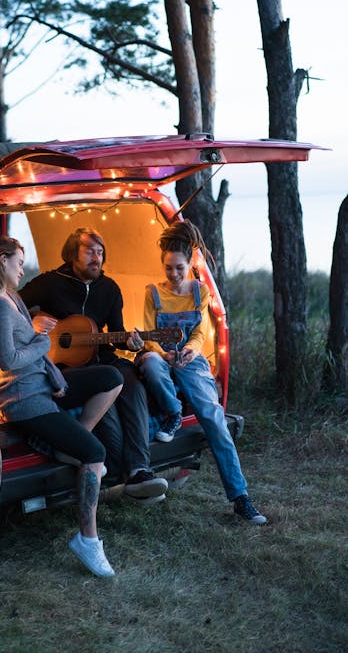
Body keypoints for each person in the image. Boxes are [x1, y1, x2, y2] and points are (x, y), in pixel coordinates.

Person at [0, 235, 124, 577]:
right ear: (2, 262)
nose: (22, 267)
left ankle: (68, 442)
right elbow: (8, 360)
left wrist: (52, 369)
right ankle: (88, 540)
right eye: (18, 261)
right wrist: (43, 345)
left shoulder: (13, 297)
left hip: (42, 384)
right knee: (94, 453)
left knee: (111, 377)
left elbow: (27, 343)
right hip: (22, 398)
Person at [19, 227, 168, 505]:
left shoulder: (109, 288)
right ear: (72, 254)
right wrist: (32, 321)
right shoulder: (51, 282)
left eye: (100, 253)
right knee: (106, 398)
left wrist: (132, 343)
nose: (96, 258)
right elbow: (12, 304)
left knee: (132, 382)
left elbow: (119, 331)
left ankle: (139, 471)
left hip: (104, 357)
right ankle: (109, 465)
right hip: (67, 366)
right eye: (89, 251)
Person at [136, 220, 267, 525]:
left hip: (192, 359)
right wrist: (162, 352)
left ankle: (240, 498)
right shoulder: (152, 293)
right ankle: (172, 413)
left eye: (179, 268)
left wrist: (191, 350)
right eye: (169, 268)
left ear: (190, 262)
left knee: (213, 417)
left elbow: (201, 331)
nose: (174, 274)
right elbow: (149, 334)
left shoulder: (201, 291)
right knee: (151, 364)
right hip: (164, 357)